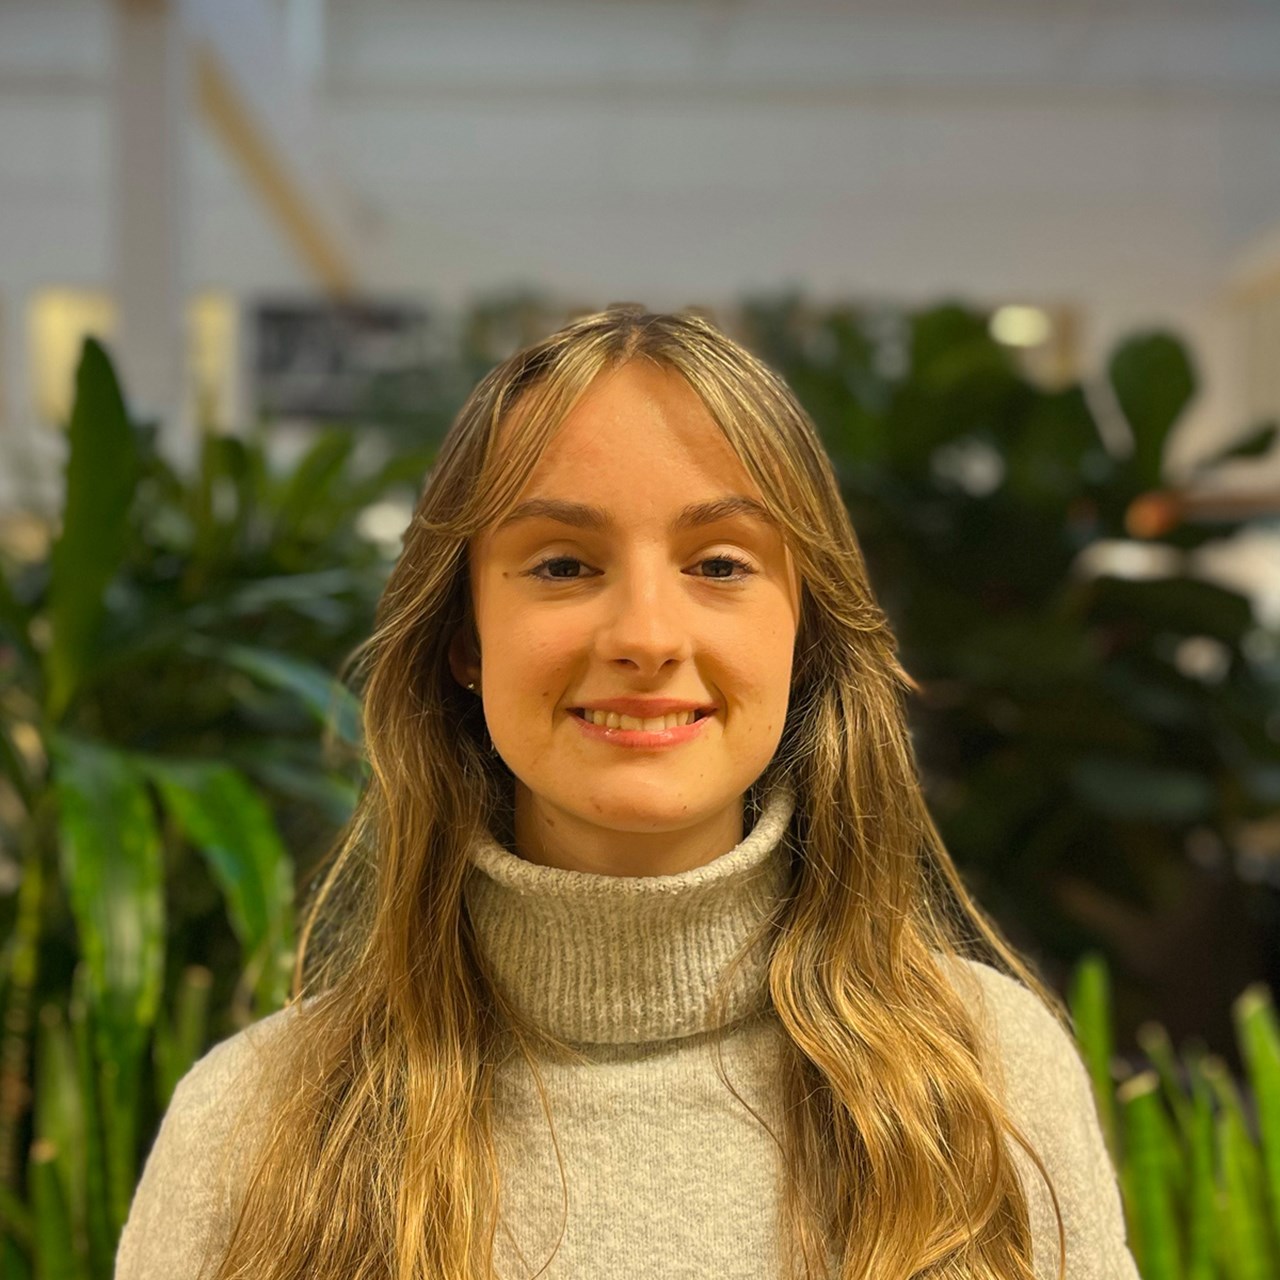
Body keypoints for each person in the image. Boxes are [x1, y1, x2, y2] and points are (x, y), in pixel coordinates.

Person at [114, 305, 1140, 1280]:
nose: (646, 635)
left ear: (804, 630)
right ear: (465, 636)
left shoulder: (984, 1080)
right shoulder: (252, 1122)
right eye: (562, 564)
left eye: (720, 562)